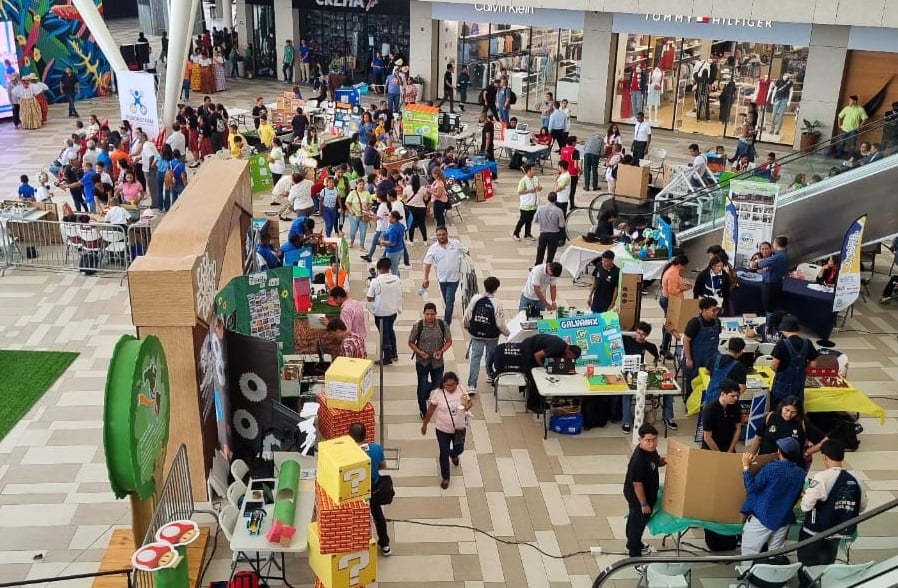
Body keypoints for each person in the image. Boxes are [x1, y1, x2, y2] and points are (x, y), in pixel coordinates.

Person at [797, 440, 867, 567]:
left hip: (815, 532)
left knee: (808, 566)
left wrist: (806, 495)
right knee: (826, 565)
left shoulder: (822, 478)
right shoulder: (855, 478)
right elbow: (862, 506)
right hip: (839, 532)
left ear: (824, 456)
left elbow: (805, 506)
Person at [739, 438, 807, 561]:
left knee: (749, 554)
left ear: (779, 452)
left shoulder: (771, 468)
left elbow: (751, 488)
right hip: (783, 520)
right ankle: (773, 578)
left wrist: (746, 466)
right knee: (776, 556)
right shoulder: (800, 473)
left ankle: (746, 576)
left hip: (761, 518)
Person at [420, 371, 473, 489]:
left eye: (454, 384)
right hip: (442, 429)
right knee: (443, 453)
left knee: (459, 449)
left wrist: (466, 406)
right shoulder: (438, 394)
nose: (451, 387)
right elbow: (431, 410)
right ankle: (446, 477)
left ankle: (453, 454)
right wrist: (425, 424)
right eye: (448, 385)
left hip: (459, 428)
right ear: (443, 384)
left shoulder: (461, 390)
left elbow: (470, 403)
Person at [348, 423, 390, 555]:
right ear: (366, 434)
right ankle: (385, 544)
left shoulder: (347, 453)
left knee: (354, 518)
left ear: (350, 436)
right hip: (373, 489)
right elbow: (383, 466)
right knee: (378, 517)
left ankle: (356, 544)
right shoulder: (376, 448)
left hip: (354, 491)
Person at [624, 424, 665, 558]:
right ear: (640, 440)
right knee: (638, 522)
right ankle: (634, 554)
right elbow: (637, 484)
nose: (652, 443)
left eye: (654, 439)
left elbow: (655, 462)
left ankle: (633, 543)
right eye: (648, 440)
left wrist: (663, 461)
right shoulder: (639, 460)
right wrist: (644, 504)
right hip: (638, 496)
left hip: (648, 492)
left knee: (634, 520)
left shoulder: (651, 451)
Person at [464, 276, 509, 393]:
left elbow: (467, 315)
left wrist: (468, 326)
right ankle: (490, 374)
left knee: (475, 357)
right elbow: (500, 323)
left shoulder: (476, 298)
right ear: (496, 289)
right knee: (491, 355)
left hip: (476, 334)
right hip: (492, 335)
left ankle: (472, 385)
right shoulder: (497, 303)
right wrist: (507, 333)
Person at [409, 302, 453, 418]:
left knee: (438, 383)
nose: (430, 317)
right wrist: (420, 352)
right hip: (422, 362)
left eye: (432, 314)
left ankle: (428, 389)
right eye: (427, 314)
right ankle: (423, 409)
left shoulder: (442, 325)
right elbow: (411, 342)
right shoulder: (418, 326)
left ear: (436, 314)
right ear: (424, 313)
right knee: (422, 387)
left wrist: (441, 351)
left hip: (437, 362)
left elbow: (449, 341)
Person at [750, 396, 828, 460]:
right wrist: (751, 456)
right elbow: (758, 438)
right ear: (781, 406)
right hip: (765, 462)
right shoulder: (770, 416)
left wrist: (807, 452)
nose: (788, 414)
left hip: (791, 466)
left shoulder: (802, 423)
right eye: (786, 410)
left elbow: (825, 441)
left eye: (793, 412)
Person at [616, 323, 661, 433]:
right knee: (626, 395)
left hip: (643, 374)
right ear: (636, 331)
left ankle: (669, 417)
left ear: (647, 335)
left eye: (643, 335)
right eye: (638, 333)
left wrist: (651, 364)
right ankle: (626, 421)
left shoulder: (650, 347)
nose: (640, 336)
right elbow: (614, 334)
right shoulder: (627, 340)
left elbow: (655, 361)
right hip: (627, 373)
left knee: (666, 393)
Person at [520, 334, 582, 411]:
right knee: (535, 379)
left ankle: (540, 400)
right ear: (569, 351)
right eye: (570, 357)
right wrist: (543, 368)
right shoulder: (557, 347)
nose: (569, 359)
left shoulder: (565, 350)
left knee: (544, 376)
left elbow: (561, 364)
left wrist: (569, 369)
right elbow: (537, 355)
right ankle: (532, 404)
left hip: (537, 349)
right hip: (528, 349)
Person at [681, 297, 722, 410]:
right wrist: (688, 358)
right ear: (704, 310)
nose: (716, 312)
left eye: (716, 310)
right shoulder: (694, 322)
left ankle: (706, 404)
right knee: (693, 382)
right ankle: (690, 405)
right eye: (713, 310)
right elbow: (686, 340)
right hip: (696, 358)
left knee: (709, 383)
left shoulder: (717, 322)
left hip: (711, 358)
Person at [422, 226, 468, 325]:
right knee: (446, 298)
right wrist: (426, 278)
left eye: (443, 234)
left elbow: (466, 251)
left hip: (454, 278)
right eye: (439, 235)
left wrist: (466, 265)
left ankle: (446, 323)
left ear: (447, 234)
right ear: (436, 236)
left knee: (449, 299)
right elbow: (427, 263)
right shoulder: (433, 248)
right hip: (442, 279)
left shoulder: (455, 244)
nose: (441, 236)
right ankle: (449, 309)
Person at [769, 315, 819, 404]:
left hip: (782, 388)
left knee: (781, 412)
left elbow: (773, 366)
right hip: (799, 388)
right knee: (796, 411)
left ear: (784, 329)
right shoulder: (807, 343)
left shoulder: (781, 344)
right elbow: (814, 365)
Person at [367, 257, 402, 365]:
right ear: (389, 267)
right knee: (391, 330)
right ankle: (394, 353)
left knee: (384, 334)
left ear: (379, 268)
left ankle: (387, 357)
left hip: (381, 312)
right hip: (393, 310)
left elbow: (369, 297)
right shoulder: (396, 279)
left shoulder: (376, 281)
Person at [659, 255, 692, 358]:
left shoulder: (672, 270)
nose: (684, 268)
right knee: (671, 326)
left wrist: (682, 285)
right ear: (679, 264)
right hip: (670, 301)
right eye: (684, 266)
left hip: (667, 299)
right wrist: (684, 289)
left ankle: (663, 345)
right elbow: (672, 291)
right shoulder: (673, 273)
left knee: (667, 324)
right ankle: (664, 348)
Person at [700, 379, 742, 452]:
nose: (735, 398)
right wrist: (720, 454)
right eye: (732, 396)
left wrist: (730, 450)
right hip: (711, 448)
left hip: (728, 446)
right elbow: (707, 437)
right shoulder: (710, 409)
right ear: (723, 394)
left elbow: (738, 428)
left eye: (737, 396)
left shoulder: (736, 406)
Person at [751, 235, 789, 313]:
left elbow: (761, 264)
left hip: (770, 284)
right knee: (771, 304)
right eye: (762, 249)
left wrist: (759, 261)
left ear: (775, 244)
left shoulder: (777, 256)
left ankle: (769, 322)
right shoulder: (784, 255)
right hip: (776, 282)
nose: (764, 250)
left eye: (766, 248)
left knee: (768, 305)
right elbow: (753, 265)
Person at [533, 192, 566, 265]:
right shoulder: (559, 211)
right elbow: (562, 224)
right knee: (551, 253)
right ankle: (548, 267)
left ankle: (537, 266)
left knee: (540, 251)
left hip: (543, 233)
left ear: (547, 198)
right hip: (554, 234)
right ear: (556, 199)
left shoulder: (541, 208)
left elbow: (535, 220)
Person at [513, 164, 541, 241]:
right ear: (528, 170)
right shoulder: (523, 180)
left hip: (534, 204)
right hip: (526, 204)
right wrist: (529, 191)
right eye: (534, 169)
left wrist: (539, 188)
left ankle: (527, 234)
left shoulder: (535, 178)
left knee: (530, 220)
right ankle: (516, 233)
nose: (535, 171)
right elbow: (519, 191)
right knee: (523, 220)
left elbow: (540, 187)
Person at [379, 211, 406, 277]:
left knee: (393, 269)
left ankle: (396, 282)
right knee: (396, 267)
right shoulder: (401, 225)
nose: (388, 218)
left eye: (390, 217)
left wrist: (382, 241)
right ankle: (397, 279)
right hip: (400, 249)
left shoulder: (393, 230)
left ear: (394, 219)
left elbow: (392, 243)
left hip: (393, 251)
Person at [559, 136, 580, 209]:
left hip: (564, 173)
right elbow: (575, 166)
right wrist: (580, 171)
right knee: (572, 190)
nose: (576, 142)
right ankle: (572, 205)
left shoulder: (563, 149)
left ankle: (562, 204)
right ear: (573, 142)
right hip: (573, 174)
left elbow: (561, 162)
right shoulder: (575, 151)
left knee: (563, 189)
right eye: (576, 141)